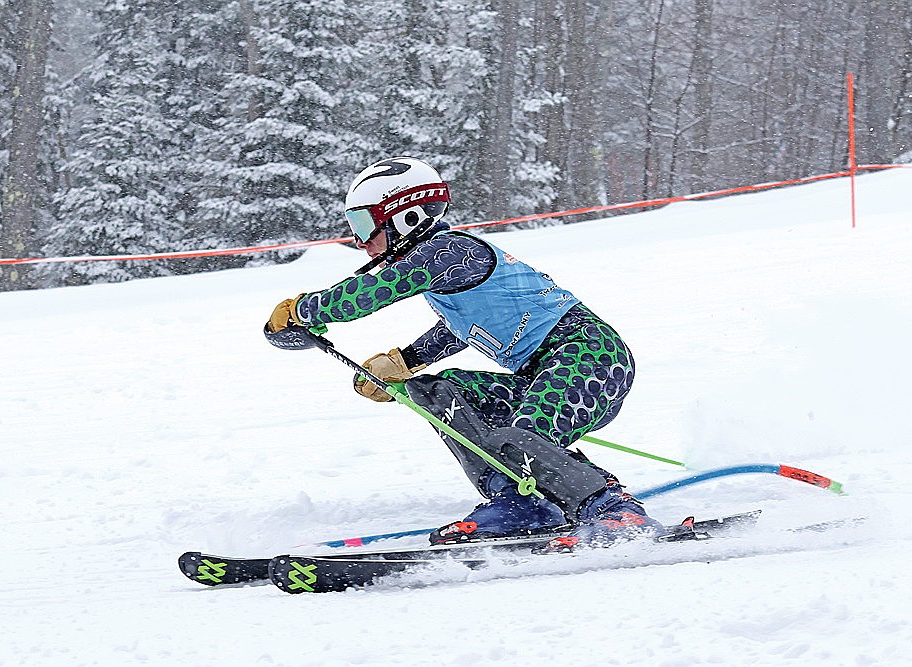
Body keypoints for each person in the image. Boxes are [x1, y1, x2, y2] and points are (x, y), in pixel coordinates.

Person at [265, 156, 663, 550]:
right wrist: (406, 361)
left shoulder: (450, 252)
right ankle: (520, 502)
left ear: (406, 215)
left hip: (589, 356)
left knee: (526, 434)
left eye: (365, 226)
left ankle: (612, 508)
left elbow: (373, 291)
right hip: (540, 371)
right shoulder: (443, 269)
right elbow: (462, 329)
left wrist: (305, 310)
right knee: (439, 393)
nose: (360, 242)